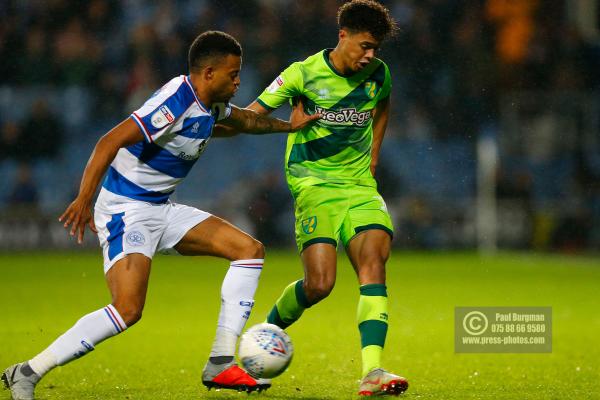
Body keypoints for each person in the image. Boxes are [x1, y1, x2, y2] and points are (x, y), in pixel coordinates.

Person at [1, 30, 319, 400]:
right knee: (128, 309)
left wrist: (288, 126)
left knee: (249, 250)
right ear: (210, 73)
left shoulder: (210, 105)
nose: (238, 81)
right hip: (126, 211)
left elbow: (246, 121)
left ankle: (220, 362)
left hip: (161, 207)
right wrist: (84, 199)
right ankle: (27, 371)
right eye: (233, 74)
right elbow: (109, 140)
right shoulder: (176, 100)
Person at [215, 0, 408, 396]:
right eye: (365, 46)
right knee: (320, 285)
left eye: (376, 49)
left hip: (358, 188)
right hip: (313, 185)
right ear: (343, 35)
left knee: (374, 261)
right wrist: (288, 125)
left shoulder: (378, 73)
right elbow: (249, 116)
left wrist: (373, 153)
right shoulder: (301, 74)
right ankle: (266, 334)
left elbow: (384, 102)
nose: (370, 55)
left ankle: (373, 371)